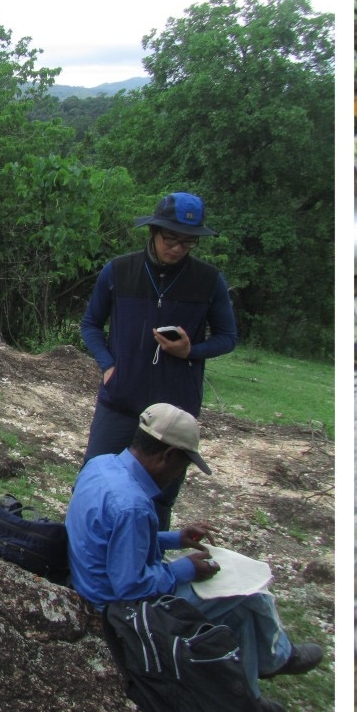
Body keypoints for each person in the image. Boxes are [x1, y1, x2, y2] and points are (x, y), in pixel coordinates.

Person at [66, 403, 325, 711]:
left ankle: (252, 690)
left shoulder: (102, 465)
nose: (180, 474)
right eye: (184, 466)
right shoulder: (133, 505)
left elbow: (115, 540)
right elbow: (131, 587)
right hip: (117, 608)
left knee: (241, 606)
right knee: (250, 595)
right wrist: (183, 569)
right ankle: (276, 660)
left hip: (90, 580)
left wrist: (176, 538)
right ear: (168, 456)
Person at [80, 191, 239, 529]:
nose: (178, 248)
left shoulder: (210, 281)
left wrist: (190, 351)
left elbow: (228, 337)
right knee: (96, 476)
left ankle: (148, 563)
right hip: (120, 398)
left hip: (175, 410)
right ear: (153, 231)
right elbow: (91, 323)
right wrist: (108, 365)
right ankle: (79, 556)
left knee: (158, 496)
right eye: (171, 238)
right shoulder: (118, 271)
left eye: (188, 242)